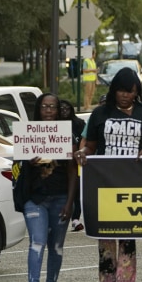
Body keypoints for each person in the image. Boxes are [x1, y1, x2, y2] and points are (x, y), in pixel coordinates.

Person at [74, 67, 142, 282]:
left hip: (133, 184)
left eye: (131, 92)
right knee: (105, 236)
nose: (125, 96)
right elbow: (90, 146)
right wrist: (82, 153)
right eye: (121, 91)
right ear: (114, 90)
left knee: (128, 238)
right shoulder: (100, 114)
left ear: (137, 92)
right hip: (104, 184)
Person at [18, 93, 78, 282]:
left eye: (53, 107)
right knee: (37, 241)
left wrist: (70, 202)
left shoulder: (67, 136)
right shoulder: (29, 134)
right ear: (38, 109)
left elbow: (73, 172)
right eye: (45, 107)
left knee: (56, 246)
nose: (49, 111)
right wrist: (28, 161)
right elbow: (17, 166)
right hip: (35, 199)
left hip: (61, 198)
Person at [59, 99, 86, 232]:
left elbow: (85, 141)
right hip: (59, 164)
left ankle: (75, 219)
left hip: (76, 162)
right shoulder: (53, 125)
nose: (64, 111)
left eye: (67, 108)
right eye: (61, 108)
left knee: (76, 190)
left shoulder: (79, 123)